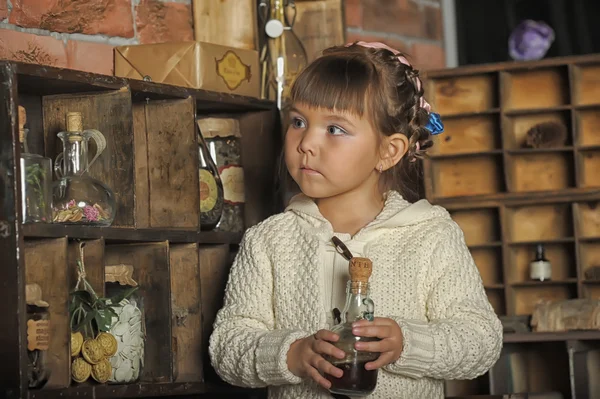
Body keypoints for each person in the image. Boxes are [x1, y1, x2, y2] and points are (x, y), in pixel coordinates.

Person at [209, 41, 503, 399]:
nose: (306, 143)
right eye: (299, 122)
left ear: (388, 151)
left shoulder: (431, 235)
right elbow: (227, 346)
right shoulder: (268, 241)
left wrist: (408, 344)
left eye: (335, 129)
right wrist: (290, 354)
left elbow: (481, 340)